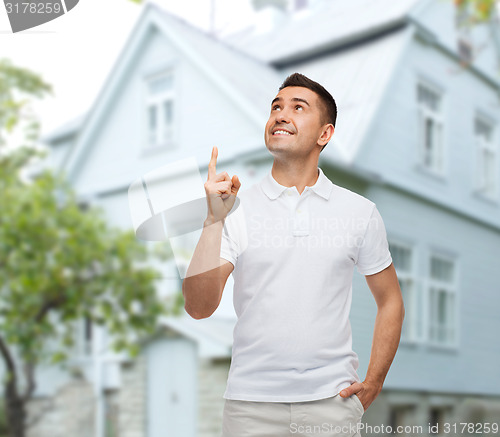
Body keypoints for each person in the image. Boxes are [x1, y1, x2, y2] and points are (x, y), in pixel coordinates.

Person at [182, 73, 405, 437]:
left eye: (297, 108)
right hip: (250, 407)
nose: (281, 115)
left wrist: (374, 381)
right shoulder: (234, 209)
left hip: (332, 404)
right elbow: (198, 306)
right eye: (276, 107)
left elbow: (391, 300)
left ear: (325, 134)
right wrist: (212, 220)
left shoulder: (359, 212)